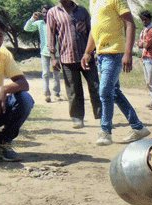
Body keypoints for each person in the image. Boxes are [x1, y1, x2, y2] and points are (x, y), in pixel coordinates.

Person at [81, 0, 150, 146]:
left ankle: (105, 131)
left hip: (114, 53)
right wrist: (87, 51)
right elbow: (95, 30)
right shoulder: (93, 2)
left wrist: (128, 53)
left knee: (105, 91)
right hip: (101, 55)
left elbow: (130, 24)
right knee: (114, 92)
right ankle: (138, 128)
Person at [47, 0, 102, 129]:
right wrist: (53, 57)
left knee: (96, 87)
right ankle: (77, 118)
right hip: (67, 58)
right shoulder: (53, 13)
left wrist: (93, 52)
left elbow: (92, 32)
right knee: (73, 91)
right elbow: (51, 36)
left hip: (87, 57)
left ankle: (102, 117)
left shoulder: (82, 11)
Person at [0, 14, 35, 162]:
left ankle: (3, 143)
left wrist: (3, 90)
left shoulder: (3, 54)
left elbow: (23, 83)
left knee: (25, 99)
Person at [23, 5, 62, 103]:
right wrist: (33, 18)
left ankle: (56, 93)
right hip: (44, 52)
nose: (45, 14)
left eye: (47, 12)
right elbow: (27, 28)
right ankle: (46, 94)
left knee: (56, 74)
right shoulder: (40, 23)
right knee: (45, 73)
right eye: (44, 12)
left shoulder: (57, 22)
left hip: (56, 52)